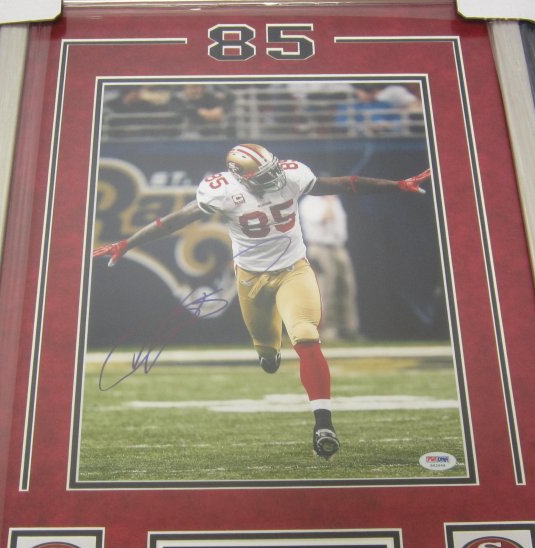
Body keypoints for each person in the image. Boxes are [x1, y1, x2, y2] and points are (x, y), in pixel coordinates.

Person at [92, 143, 430, 460]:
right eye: (265, 175)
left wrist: (396, 185)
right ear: (240, 177)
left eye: (273, 170)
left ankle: (323, 424)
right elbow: (175, 220)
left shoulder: (291, 175)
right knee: (267, 352)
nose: (275, 178)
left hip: (294, 271)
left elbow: (345, 184)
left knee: (306, 335)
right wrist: (128, 243)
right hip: (251, 280)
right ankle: (269, 353)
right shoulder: (222, 190)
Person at [299, 192, 361, 342]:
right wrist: (328, 202)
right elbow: (327, 217)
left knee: (347, 288)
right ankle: (329, 330)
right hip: (320, 248)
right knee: (327, 289)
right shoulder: (310, 201)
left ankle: (349, 329)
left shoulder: (335, 200)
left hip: (338, 247)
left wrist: (331, 201)